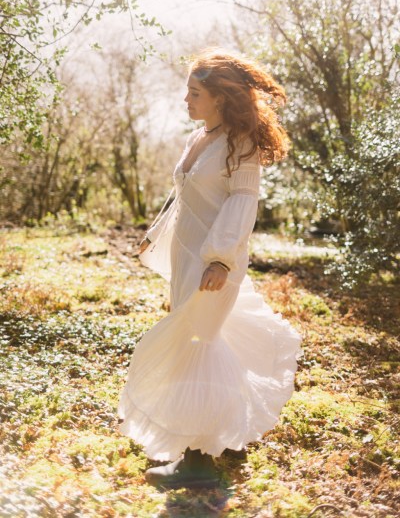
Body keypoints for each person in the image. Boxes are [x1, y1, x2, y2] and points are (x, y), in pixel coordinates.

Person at [117, 49, 302, 489]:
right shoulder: (197, 137)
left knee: (196, 344)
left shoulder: (242, 144)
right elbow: (184, 198)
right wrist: (155, 233)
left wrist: (220, 258)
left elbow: (242, 205)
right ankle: (228, 437)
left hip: (216, 262)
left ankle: (198, 462)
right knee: (209, 339)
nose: (186, 99)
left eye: (195, 92)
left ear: (220, 97)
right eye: (188, 90)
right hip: (188, 259)